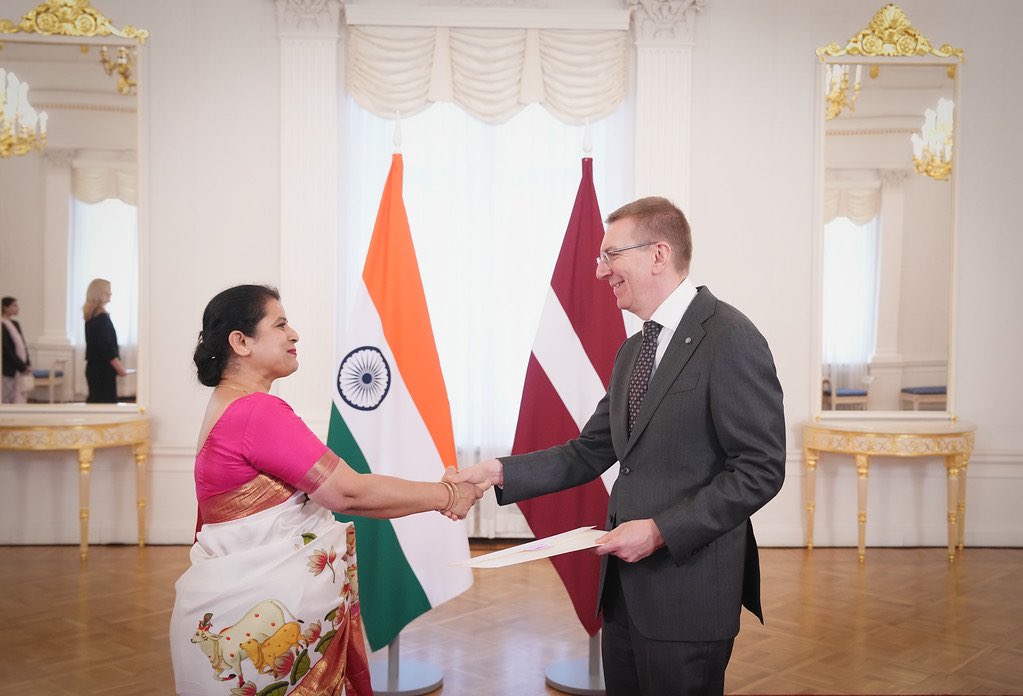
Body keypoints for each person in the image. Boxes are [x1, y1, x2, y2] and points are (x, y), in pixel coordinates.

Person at [451, 197, 786, 695]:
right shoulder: (634, 349)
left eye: (611, 255)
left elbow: (760, 469)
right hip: (624, 593)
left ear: (658, 254)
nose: (600, 271)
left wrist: (659, 531)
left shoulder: (730, 337)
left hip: (688, 593)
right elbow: (589, 450)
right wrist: (496, 472)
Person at [170, 284, 483, 696]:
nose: (294, 334)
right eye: (280, 324)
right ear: (241, 342)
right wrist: (449, 495)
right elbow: (348, 493)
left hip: (232, 617)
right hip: (255, 631)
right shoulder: (255, 411)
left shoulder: (226, 402)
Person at [82, 278, 128, 403]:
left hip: (94, 368)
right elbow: (106, 348)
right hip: (102, 371)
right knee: (105, 405)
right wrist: (119, 368)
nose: (110, 293)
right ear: (99, 293)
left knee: (97, 403)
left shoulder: (91, 317)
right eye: (108, 290)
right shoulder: (101, 318)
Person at [1, 296, 32, 403]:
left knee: (20, 396)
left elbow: (23, 345)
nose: (17, 308)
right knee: (7, 397)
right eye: (14, 305)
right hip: (9, 367)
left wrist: (27, 364)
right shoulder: (2, 324)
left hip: (20, 366)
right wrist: (21, 366)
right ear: (5, 308)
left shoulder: (15, 324)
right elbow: (6, 349)